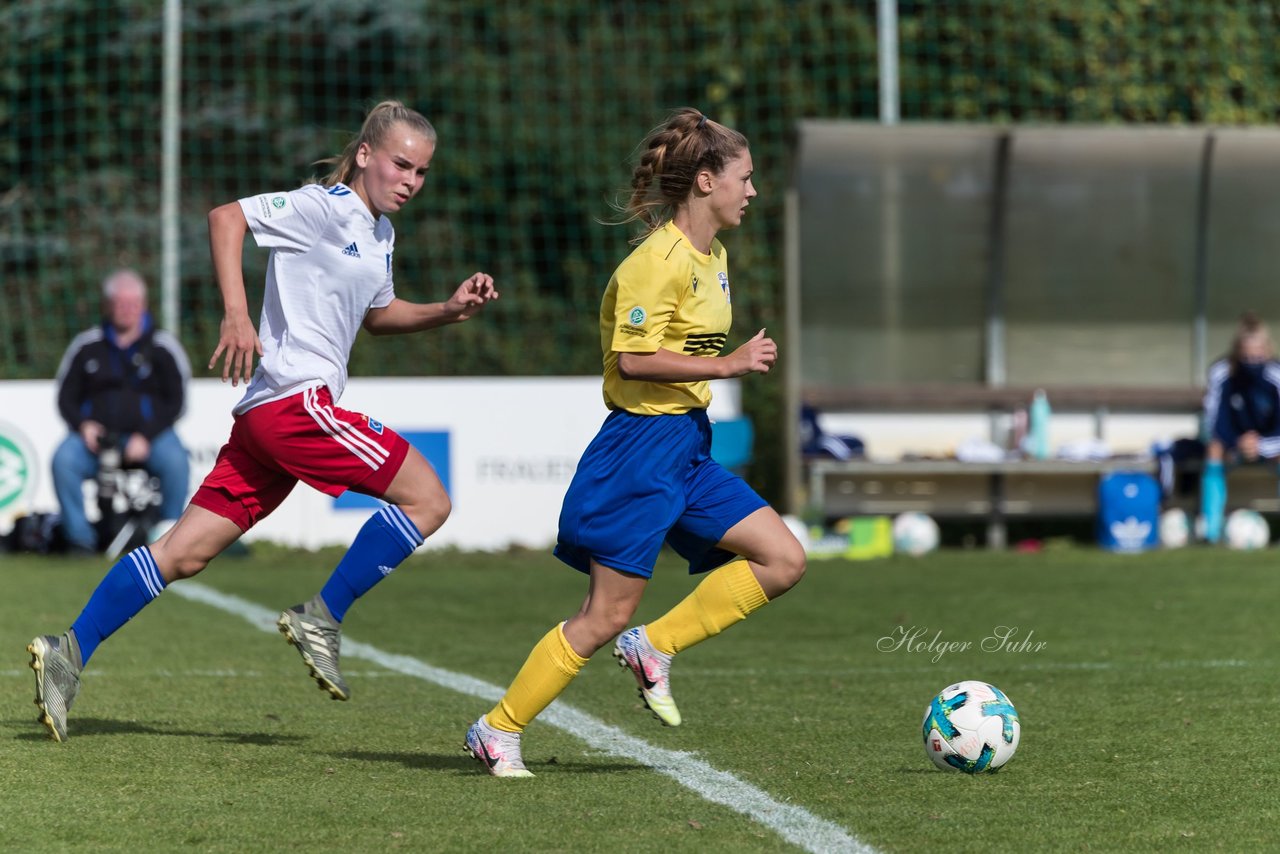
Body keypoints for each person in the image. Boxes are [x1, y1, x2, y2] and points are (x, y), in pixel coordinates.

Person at [26, 100, 498, 742]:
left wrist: (447, 308)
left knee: (181, 553)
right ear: (365, 155)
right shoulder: (321, 207)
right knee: (429, 498)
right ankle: (322, 617)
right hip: (295, 404)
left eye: (421, 172)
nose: (411, 181)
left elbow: (378, 317)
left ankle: (67, 652)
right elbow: (227, 219)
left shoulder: (380, 234)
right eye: (400, 164)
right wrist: (236, 314)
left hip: (266, 422)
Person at [463, 108, 806, 777]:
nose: (753, 191)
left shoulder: (716, 256)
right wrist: (725, 366)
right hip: (639, 448)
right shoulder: (656, 263)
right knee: (603, 615)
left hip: (686, 444)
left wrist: (713, 375)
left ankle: (656, 647)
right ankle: (497, 729)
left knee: (783, 559)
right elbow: (632, 360)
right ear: (706, 181)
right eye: (745, 177)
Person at [52, 269, 191, 554]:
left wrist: (146, 435)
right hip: (96, 440)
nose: (127, 310)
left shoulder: (164, 347)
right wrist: (84, 426)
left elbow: (176, 402)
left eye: (133, 303)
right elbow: (66, 398)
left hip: (148, 439)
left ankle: (169, 536)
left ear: (143, 305)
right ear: (108, 305)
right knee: (64, 460)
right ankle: (80, 540)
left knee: (176, 460)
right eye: (120, 303)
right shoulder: (86, 346)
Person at [1200, 312, 1280, 543]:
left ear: (1266, 351)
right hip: (1233, 444)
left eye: (1257, 357)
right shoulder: (1221, 372)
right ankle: (1210, 532)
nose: (1252, 363)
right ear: (1237, 351)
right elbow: (1213, 422)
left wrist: (1262, 445)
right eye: (1247, 357)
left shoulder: (1276, 375)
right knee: (1213, 449)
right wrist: (1237, 443)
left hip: (1269, 444)